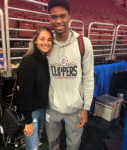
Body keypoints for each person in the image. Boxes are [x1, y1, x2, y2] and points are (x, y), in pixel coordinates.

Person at [46, 0, 94, 149]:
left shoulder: (83, 43)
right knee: (52, 144)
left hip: (76, 108)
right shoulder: (46, 44)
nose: (58, 21)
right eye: (54, 17)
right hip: (52, 107)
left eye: (62, 16)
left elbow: (88, 78)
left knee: (73, 146)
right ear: (50, 18)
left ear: (69, 18)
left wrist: (86, 108)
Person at [18, 27, 53, 150]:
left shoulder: (45, 61)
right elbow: (24, 93)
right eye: (42, 39)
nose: (46, 42)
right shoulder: (29, 60)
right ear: (35, 41)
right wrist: (28, 121)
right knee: (32, 148)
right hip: (31, 113)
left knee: (36, 142)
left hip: (41, 110)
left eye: (49, 39)